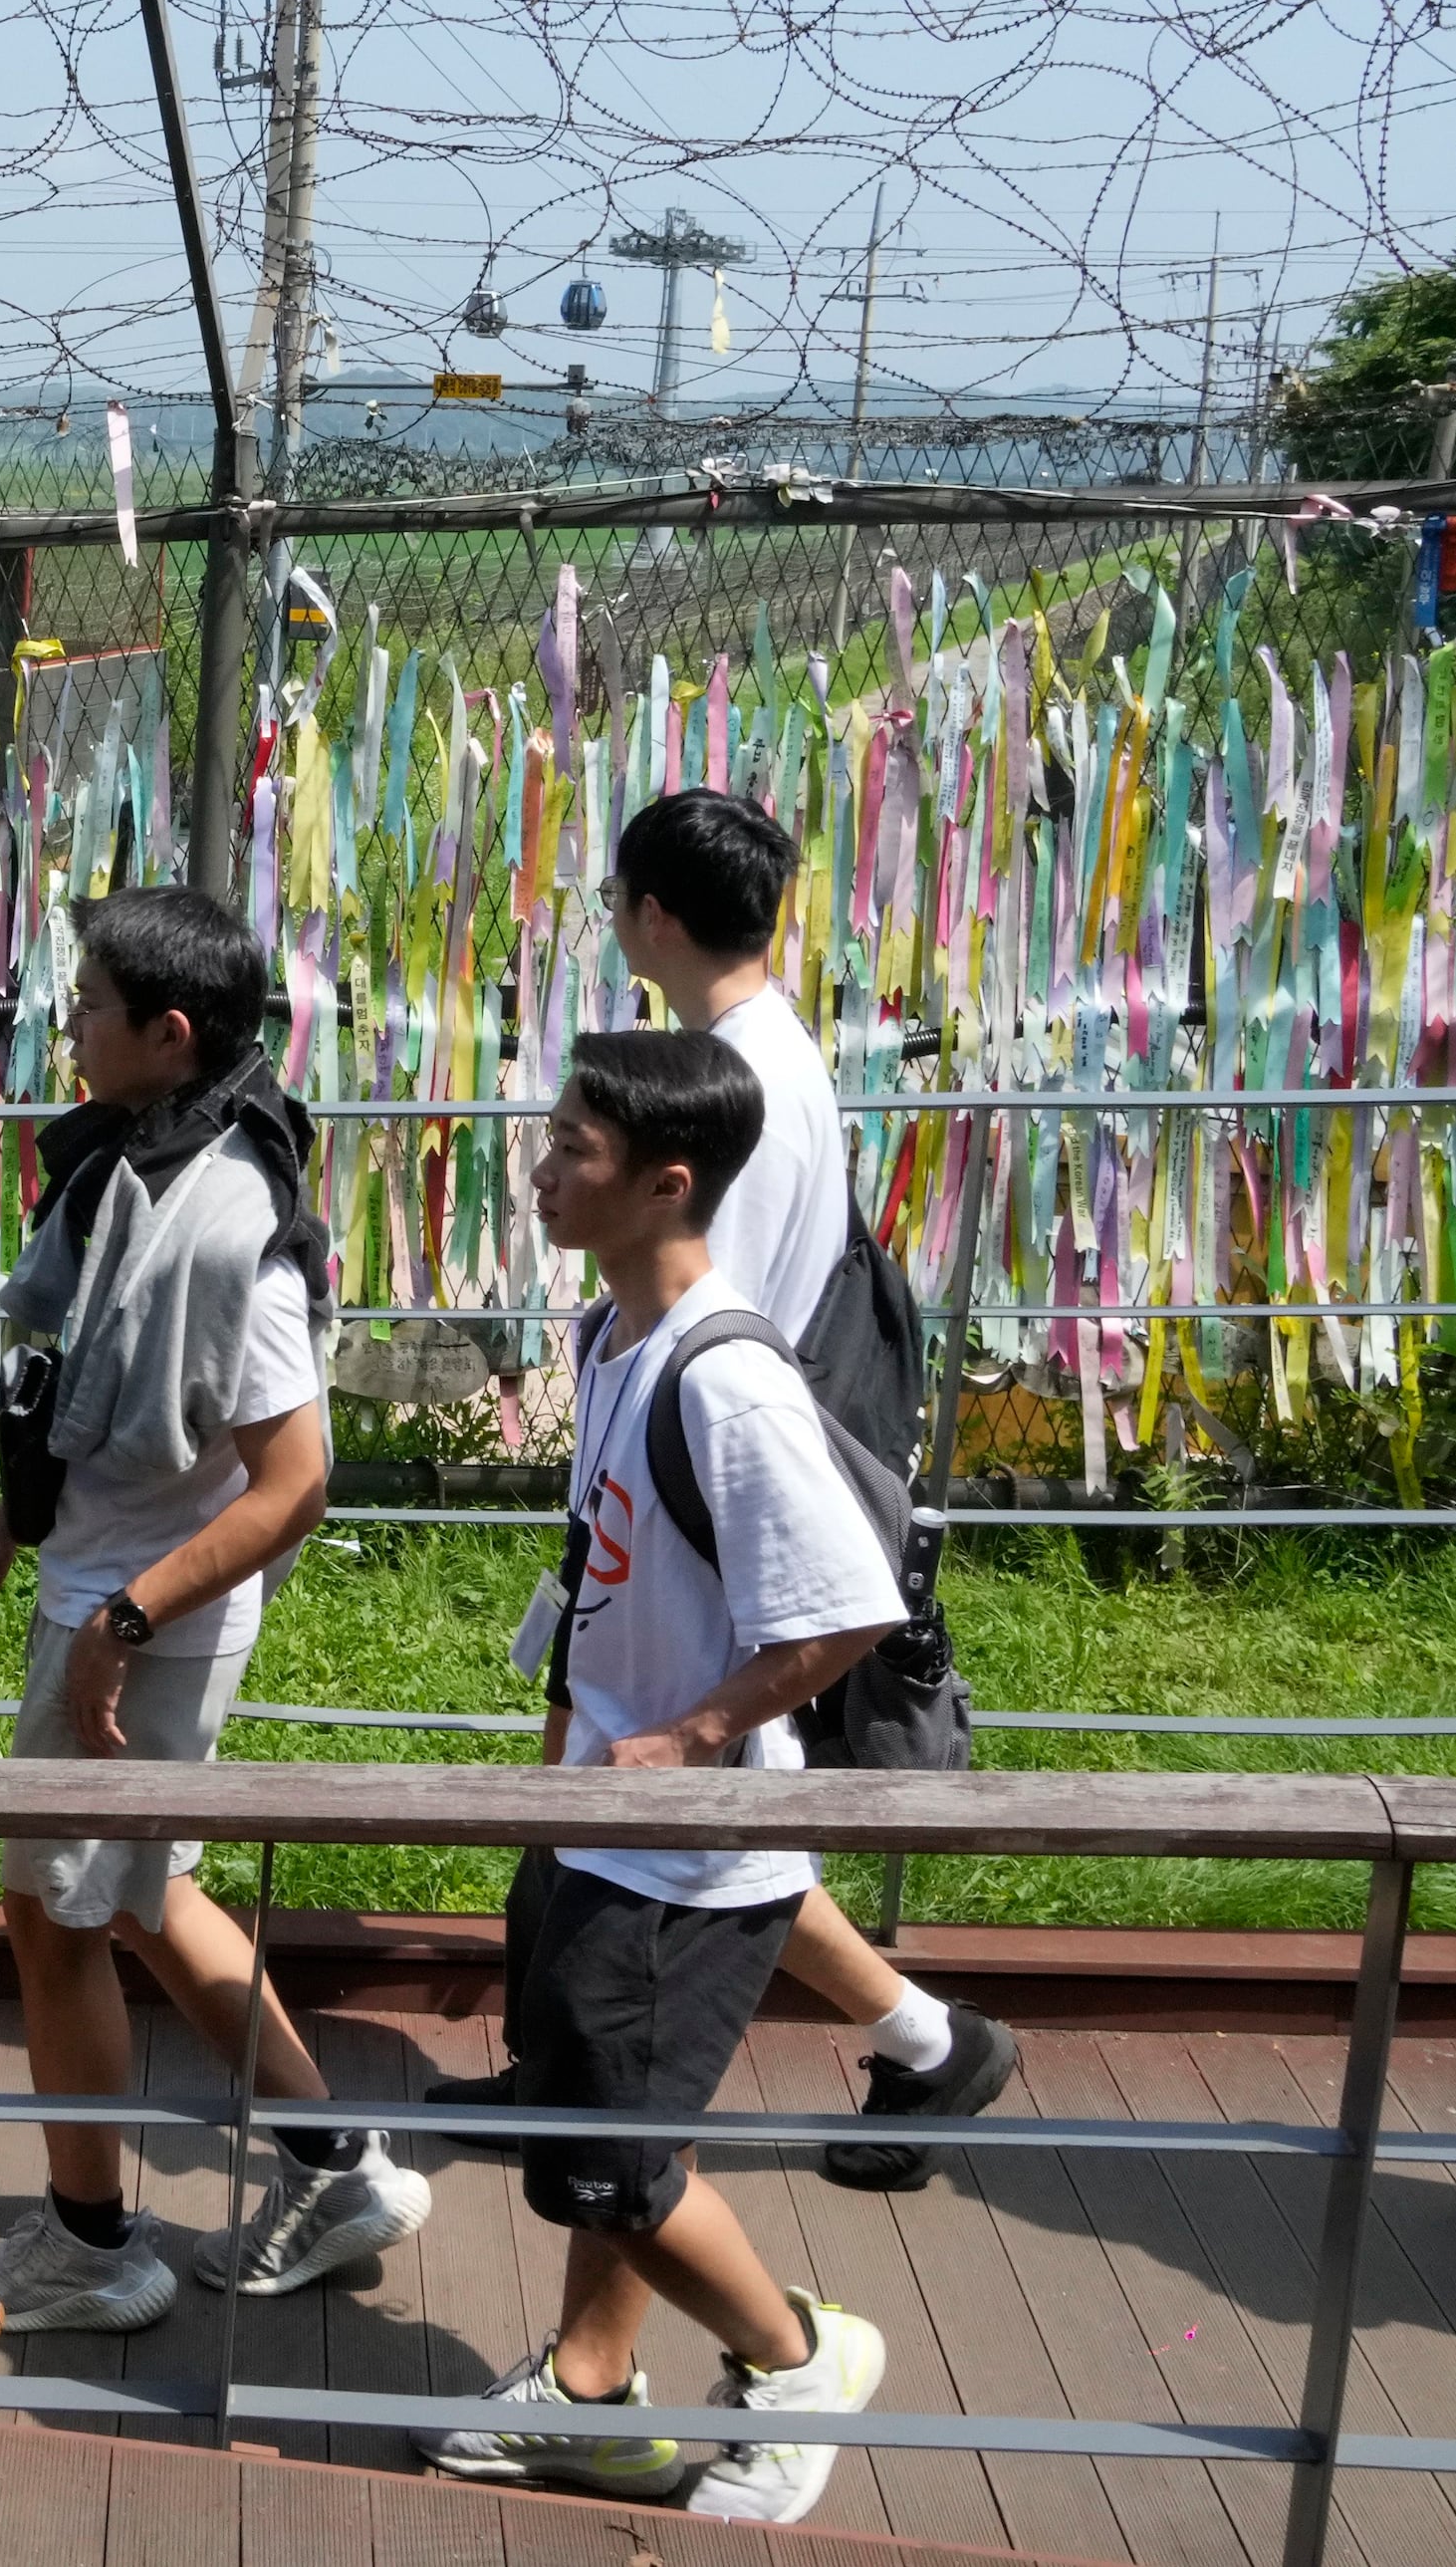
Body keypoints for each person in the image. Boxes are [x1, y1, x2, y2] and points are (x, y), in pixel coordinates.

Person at [432, 789, 1020, 2188]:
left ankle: (872, 2057)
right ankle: (902, 2044)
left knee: (698, 1808)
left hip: (706, 1498)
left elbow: (703, 1300)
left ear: (654, 915)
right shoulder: (769, 1050)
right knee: (669, 1803)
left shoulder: (723, 1080)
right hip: (702, 1487)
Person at [0, 884, 431, 2329]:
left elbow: (294, 1482)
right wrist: (8, 1528)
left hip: (131, 1626)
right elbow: (82, 1389)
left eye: (88, 1005)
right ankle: (339, 2166)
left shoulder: (229, 1226)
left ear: (171, 1033)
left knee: (50, 1920)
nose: (65, 1024)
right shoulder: (141, 1168)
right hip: (104, 1586)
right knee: (143, 1900)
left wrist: (121, 1619)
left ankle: (91, 2244)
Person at [416, 1027, 894, 2522]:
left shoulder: (727, 1379)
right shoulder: (609, 1337)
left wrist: (684, 1741)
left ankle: (796, 2355)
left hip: (688, 1848)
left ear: (666, 1182)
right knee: (600, 2126)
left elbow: (840, 1607)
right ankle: (594, 2391)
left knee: (606, 2152)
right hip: (602, 1819)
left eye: (574, 1150)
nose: (543, 1169)